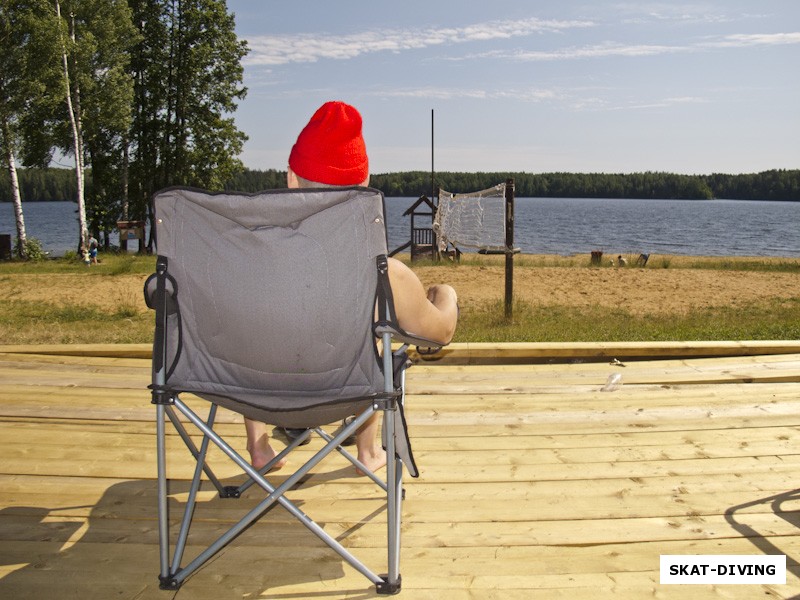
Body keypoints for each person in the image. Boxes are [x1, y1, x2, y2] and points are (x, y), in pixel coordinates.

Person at [245, 101, 459, 475]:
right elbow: (440, 333)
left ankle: (259, 445)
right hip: (342, 395)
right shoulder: (384, 273)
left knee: (251, 333)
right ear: (364, 184)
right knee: (376, 343)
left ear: (291, 178)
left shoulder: (241, 262)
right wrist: (446, 294)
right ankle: (368, 450)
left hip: (258, 393)